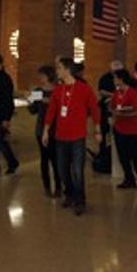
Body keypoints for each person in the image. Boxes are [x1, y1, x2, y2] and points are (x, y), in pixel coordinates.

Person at [43, 57, 101, 215]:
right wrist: (46, 130)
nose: (57, 71)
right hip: (60, 137)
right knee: (62, 169)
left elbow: (95, 109)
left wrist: (97, 129)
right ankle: (70, 194)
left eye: (59, 68)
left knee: (77, 170)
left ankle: (80, 200)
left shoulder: (84, 89)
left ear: (67, 70)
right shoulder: (58, 90)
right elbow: (52, 111)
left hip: (77, 137)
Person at [111, 69, 137, 190]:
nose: (114, 80)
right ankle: (129, 179)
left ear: (121, 79)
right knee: (123, 157)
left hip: (130, 130)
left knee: (135, 156)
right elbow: (112, 108)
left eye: (115, 78)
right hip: (119, 129)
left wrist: (123, 114)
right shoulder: (116, 93)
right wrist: (115, 115)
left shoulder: (132, 93)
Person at [29, 65, 62, 197]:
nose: (40, 78)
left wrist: (49, 101)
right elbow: (32, 110)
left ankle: (59, 186)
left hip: (56, 129)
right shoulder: (38, 91)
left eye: (42, 75)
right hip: (41, 128)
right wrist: (30, 99)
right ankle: (47, 186)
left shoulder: (58, 90)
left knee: (56, 159)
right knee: (44, 159)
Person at [93, 60, 122, 175]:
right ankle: (103, 154)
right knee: (105, 132)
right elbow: (101, 91)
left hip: (118, 110)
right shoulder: (105, 78)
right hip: (106, 109)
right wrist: (113, 95)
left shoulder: (124, 77)